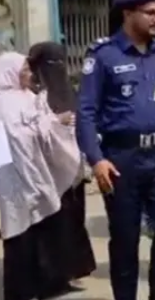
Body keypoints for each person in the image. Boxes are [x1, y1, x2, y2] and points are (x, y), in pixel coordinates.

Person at [76, 0, 155, 300]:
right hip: (121, 158)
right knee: (125, 238)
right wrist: (96, 158)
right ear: (128, 14)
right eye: (150, 13)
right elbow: (86, 111)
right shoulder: (104, 55)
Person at [0, 50, 96, 300]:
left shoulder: (30, 97)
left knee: (47, 230)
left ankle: (49, 283)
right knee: (19, 236)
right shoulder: (2, 104)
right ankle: (20, 291)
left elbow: (42, 127)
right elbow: (12, 142)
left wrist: (54, 123)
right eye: (24, 70)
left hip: (41, 174)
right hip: (12, 181)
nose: (29, 74)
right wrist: (49, 124)